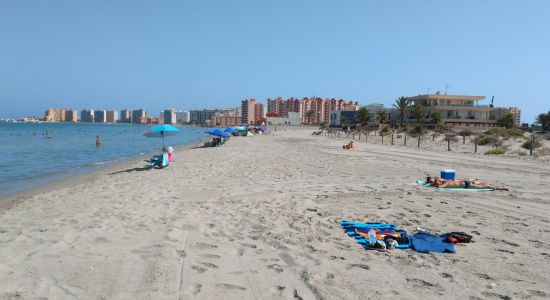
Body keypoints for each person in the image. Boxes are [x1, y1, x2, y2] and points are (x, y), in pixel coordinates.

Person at [426, 176, 508, 191]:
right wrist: (434, 183)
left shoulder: (446, 183)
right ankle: (498, 188)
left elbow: (440, 187)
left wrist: (433, 185)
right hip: (465, 183)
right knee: (483, 186)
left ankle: (498, 188)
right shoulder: (446, 182)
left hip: (466, 185)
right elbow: (440, 184)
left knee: (483, 187)